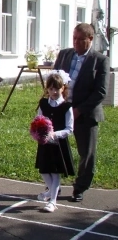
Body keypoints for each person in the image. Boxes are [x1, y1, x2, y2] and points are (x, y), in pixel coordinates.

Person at [54, 23, 110, 202]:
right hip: (61, 109)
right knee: (56, 149)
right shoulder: (65, 54)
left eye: (80, 40)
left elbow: (100, 92)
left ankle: (80, 188)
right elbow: (53, 79)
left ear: (90, 40)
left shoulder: (99, 60)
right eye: (74, 39)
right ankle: (54, 184)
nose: (76, 43)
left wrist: (78, 110)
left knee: (87, 153)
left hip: (85, 113)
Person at [35, 71, 75, 213]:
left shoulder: (66, 107)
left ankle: (52, 200)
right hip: (45, 143)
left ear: (63, 88)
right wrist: (38, 131)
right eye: (51, 89)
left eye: (56, 89)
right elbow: (38, 120)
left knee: (55, 172)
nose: (53, 92)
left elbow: (69, 129)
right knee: (44, 170)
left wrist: (55, 134)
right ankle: (50, 192)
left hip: (59, 144)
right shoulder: (44, 104)